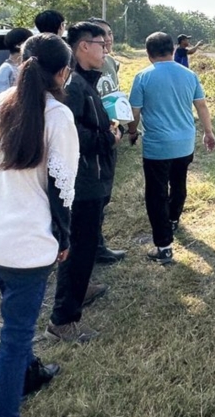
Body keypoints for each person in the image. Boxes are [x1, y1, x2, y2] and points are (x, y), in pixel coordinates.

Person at [0, 34, 79, 417]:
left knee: (17, 317)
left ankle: (30, 374)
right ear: (64, 72)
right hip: (27, 246)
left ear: (22, 62)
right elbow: (63, 187)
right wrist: (63, 237)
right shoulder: (57, 115)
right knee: (15, 338)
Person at [46, 22, 118, 342]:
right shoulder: (73, 86)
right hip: (84, 182)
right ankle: (64, 319)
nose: (106, 49)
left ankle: (83, 287)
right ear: (83, 47)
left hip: (94, 178)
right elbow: (69, 135)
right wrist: (107, 136)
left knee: (85, 248)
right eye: (101, 44)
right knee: (78, 248)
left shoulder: (85, 82)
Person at [128, 32, 215, 264]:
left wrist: (132, 131)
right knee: (179, 182)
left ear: (149, 53)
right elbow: (202, 106)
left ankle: (164, 246)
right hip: (184, 143)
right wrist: (208, 132)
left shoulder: (143, 77)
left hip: (157, 147)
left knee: (156, 194)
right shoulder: (189, 74)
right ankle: (174, 219)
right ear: (172, 49)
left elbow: (134, 112)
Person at [87, 18, 125, 266]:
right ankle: (92, 248)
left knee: (105, 193)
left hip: (111, 131)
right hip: (95, 136)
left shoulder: (109, 61)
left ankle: (96, 244)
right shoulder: (84, 68)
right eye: (103, 36)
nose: (108, 39)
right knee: (94, 195)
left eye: (110, 34)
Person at [0, 28, 34, 102]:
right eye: (29, 42)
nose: (32, 46)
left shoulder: (27, 65)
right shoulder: (7, 68)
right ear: (18, 45)